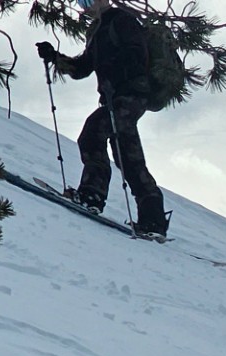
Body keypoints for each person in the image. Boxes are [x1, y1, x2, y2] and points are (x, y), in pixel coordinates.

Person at [37, 0, 169, 239]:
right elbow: (82, 68)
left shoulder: (122, 20)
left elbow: (136, 52)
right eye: (80, 2)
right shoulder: (97, 30)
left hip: (130, 94)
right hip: (116, 97)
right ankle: (153, 220)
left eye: (87, 0)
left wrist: (113, 73)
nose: (84, 5)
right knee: (127, 156)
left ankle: (92, 196)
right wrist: (54, 57)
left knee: (92, 134)